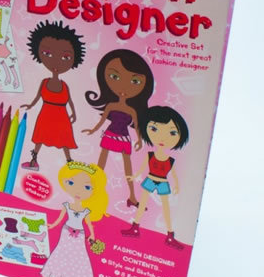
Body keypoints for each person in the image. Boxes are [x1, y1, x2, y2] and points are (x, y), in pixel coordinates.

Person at [82, 49, 154, 207]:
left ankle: (132, 196)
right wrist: (93, 130)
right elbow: (102, 121)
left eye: (135, 81)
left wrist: (139, 140)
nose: (123, 87)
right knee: (101, 164)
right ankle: (93, 191)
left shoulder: (131, 110)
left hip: (123, 137)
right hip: (110, 134)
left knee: (128, 167)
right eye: (115, 77)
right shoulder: (111, 106)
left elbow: (136, 127)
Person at [121, 106, 189, 250]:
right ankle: (135, 228)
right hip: (150, 180)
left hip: (163, 182)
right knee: (142, 204)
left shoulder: (170, 160)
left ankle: (170, 236)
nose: (162, 138)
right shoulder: (150, 155)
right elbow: (142, 169)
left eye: (172, 132)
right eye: (154, 129)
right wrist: (134, 176)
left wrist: (177, 185)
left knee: (165, 207)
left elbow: (173, 174)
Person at [21, 20, 86, 170]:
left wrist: (74, 113)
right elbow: (37, 97)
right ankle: (33, 161)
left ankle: (70, 163)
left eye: (65, 58)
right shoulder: (44, 82)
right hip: (46, 113)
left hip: (61, 115)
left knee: (64, 139)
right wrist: (30, 105)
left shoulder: (64, 85)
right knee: (40, 137)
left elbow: (70, 100)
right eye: (47, 54)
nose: (56, 62)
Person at [41, 161, 108, 277]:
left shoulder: (86, 211)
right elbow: (60, 218)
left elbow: (89, 224)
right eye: (71, 183)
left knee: (80, 256)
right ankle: (55, 274)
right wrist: (52, 225)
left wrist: (92, 235)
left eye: (87, 187)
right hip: (66, 231)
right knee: (61, 251)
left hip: (80, 234)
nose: (78, 191)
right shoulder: (67, 205)